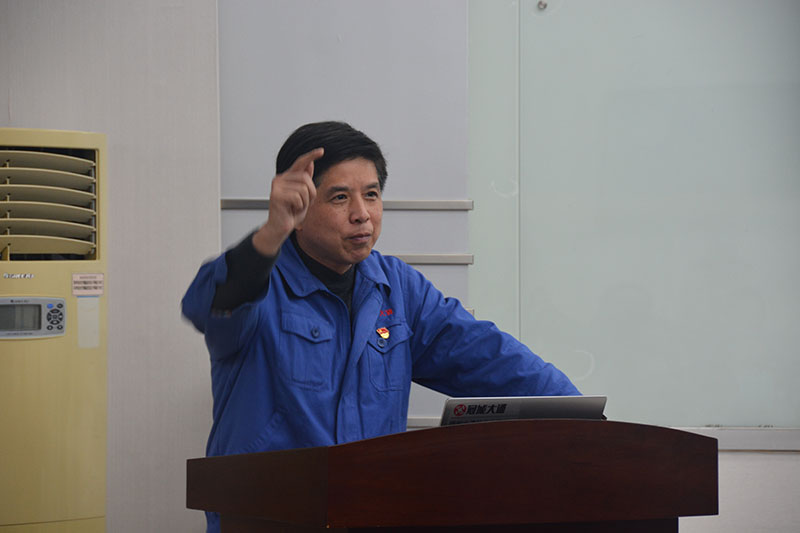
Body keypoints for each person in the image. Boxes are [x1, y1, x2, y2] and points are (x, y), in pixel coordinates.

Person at [182, 121, 579, 532]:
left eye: (371, 195)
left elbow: (489, 357)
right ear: (297, 211)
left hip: (369, 513)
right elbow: (207, 305)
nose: (362, 214)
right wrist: (269, 234)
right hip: (267, 517)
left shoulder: (397, 288)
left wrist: (578, 415)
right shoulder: (259, 283)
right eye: (340, 197)